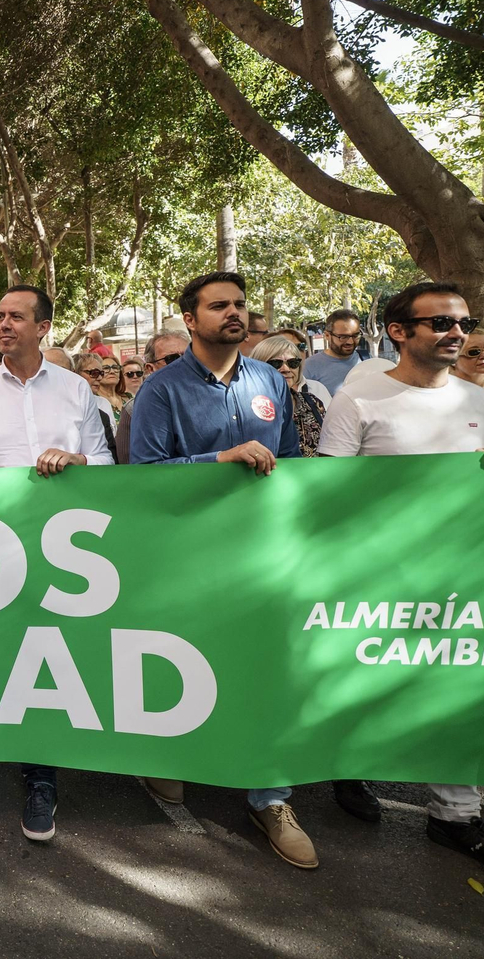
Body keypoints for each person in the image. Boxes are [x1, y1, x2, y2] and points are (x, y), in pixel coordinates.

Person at [316, 281, 484, 888]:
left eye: (462, 322)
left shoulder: (477, 400)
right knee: (367, 680)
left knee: (459, 687)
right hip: (377, 576)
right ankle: (348, 766)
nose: (457, 333)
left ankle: (457, 816)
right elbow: (328, 493)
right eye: (441, 322)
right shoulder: (359, 401)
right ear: (399, 331)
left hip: (462, 575)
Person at [129, 271, 312, 869]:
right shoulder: (159, 390)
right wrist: (219, 460)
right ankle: (173, 763)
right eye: (218, 306)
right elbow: (147, 474)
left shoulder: (268, 380)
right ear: (190, 320)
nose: (233, 313)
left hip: (260, 556)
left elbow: (288, 460)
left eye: (238, 304)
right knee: (184, 660)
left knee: (264, 668)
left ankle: (270, 797)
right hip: (188, 558)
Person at [0, 285, 110, 845]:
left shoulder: (77, 389)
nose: (3, 324)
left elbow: (107, 462)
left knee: (63, 650)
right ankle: (31, 765)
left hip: (70, 551)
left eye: (16, 316)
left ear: (44, 327)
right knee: (16, 652)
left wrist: (79, 460)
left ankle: (48, 771)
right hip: (2, 550)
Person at [114, 332, 190, 464]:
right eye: (172, 358)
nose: (183, 363)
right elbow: (131, 469)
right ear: (150, 368)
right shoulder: (133, 409)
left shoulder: (214, 397)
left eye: (189, 356)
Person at [251, 335, 326, 456]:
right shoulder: (248, 407)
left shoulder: (312, 401)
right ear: (257, 366)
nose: (286, 369)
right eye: (276, 363)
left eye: (293, 363)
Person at [304, 309, 364, 397]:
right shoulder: (309, 367)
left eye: (355, 336)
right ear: (327, 336)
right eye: (343, 337)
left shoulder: (366, 359)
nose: (350, 342)